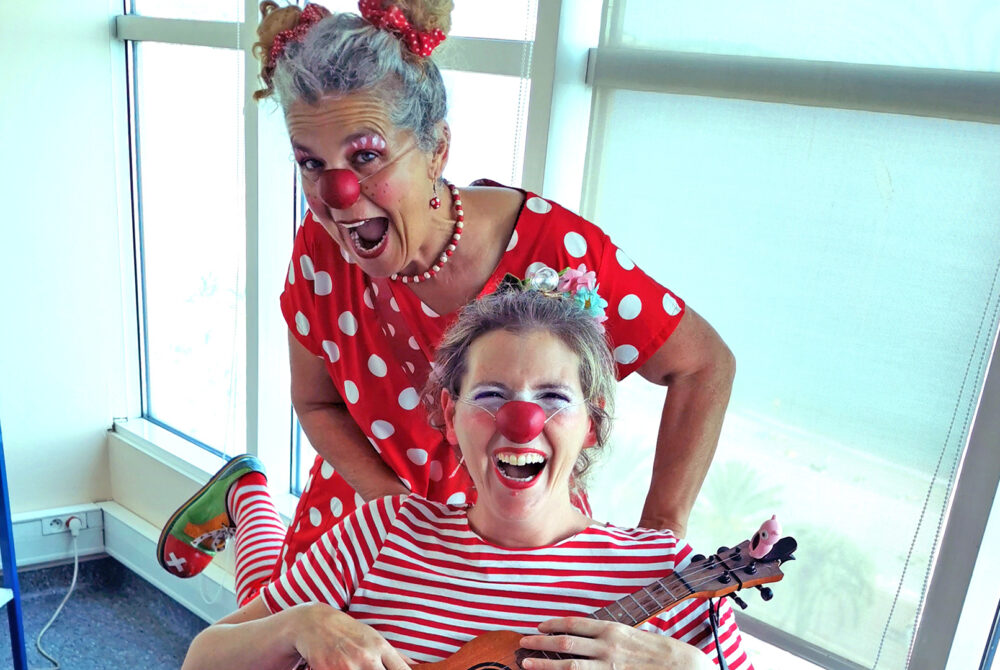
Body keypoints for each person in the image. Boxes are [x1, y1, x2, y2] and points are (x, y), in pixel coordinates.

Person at [157, 0, 736, 611]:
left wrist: (658, 543)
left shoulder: (557, 251)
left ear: (436, 149)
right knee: (271, 630)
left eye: (365, 156)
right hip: (371, 511)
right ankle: (249, 496)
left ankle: (245, 492)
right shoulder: (321, 249)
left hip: (516, 532)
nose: (337, 193)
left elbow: (703, 365)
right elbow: (317, 402)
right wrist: (396, 515)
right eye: (311, 163)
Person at [180, 286, 751, 670]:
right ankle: (248, 494)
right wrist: (299, 625)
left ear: (591, 425)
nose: (521, 423)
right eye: (492, 395)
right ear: (451, 417)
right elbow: (202, 659)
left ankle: (246, 494)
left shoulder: (670, 574)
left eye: (553, 398)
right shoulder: (385, 530)